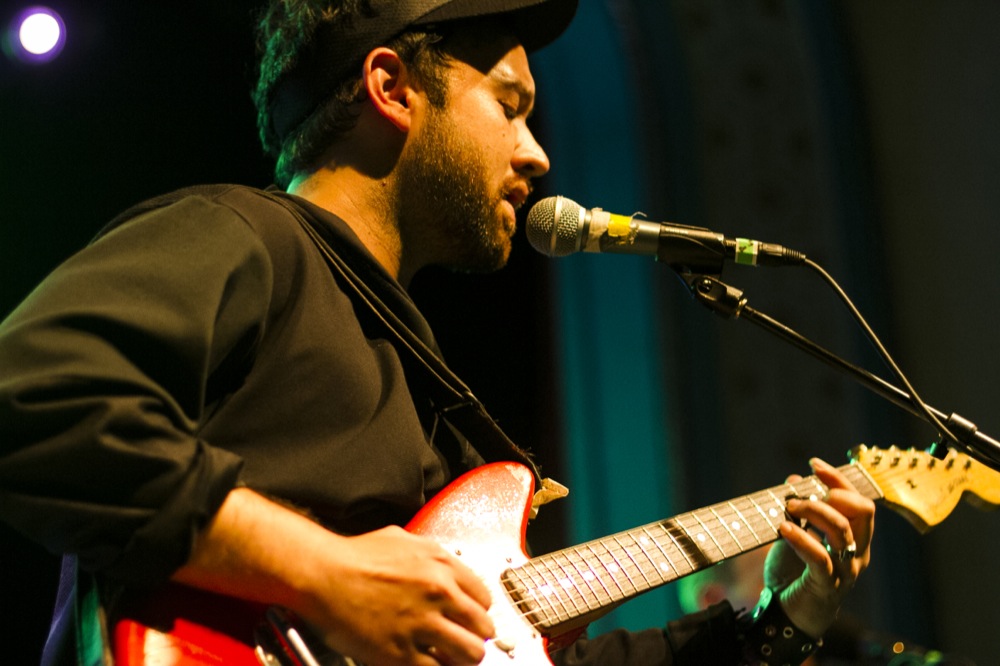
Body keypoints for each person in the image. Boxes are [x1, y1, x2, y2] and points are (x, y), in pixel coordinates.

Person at [0, 1, 876, 664]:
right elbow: (34, 397)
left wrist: (782, 622)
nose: (536, 154)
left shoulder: (437, 414)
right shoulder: (245, 236)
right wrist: (322, 573)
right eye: (510, 104)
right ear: (391, 88)